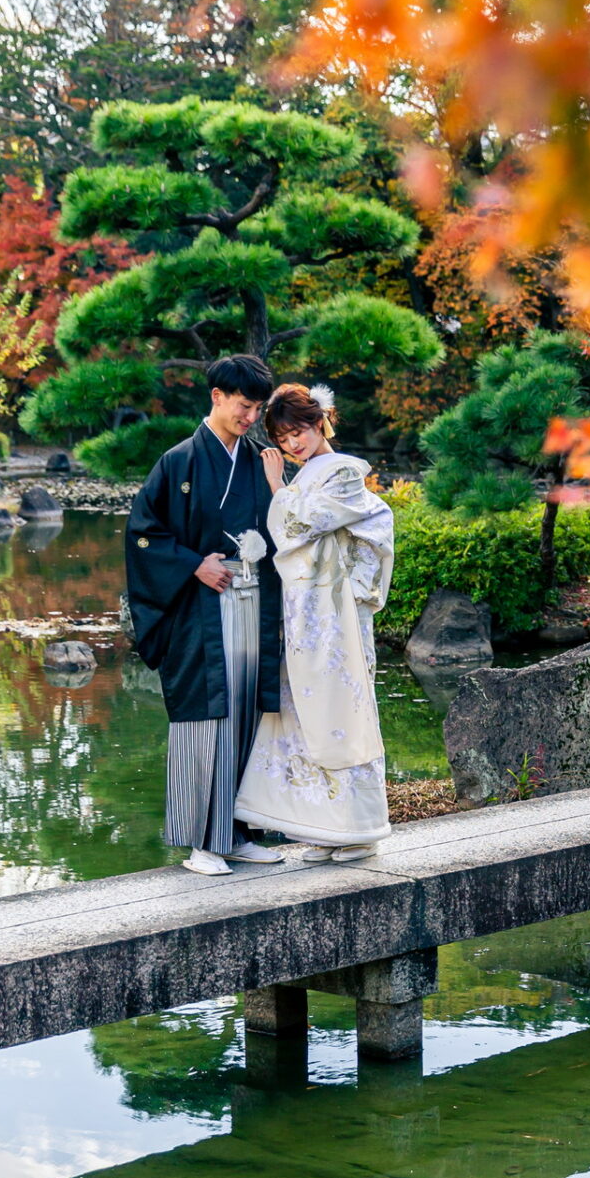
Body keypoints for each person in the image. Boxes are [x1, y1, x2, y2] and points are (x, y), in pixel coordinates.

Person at [124, 354, 286, 878]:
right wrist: (193, 564)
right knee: (206, 718)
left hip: (253, 598)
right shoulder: (179, 462)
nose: (251, 417)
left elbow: (290, 524)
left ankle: (238, 833)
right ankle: (200, 841)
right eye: (244, 406)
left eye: (258, 409)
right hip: (201, 607)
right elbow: (143, 533)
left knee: (246, 713)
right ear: (216, 396)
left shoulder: (263, 459)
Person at [233, 380, 396, 865]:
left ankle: (361, 830)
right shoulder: (310, 476)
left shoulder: (343, 471)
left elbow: (301, 526)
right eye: (283, 438)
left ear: (320, 419)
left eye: (299, 430)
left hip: (337, 615)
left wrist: (278, 489)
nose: (294, 443)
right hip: (305, 614)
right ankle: (326, 830)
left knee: (343, 708)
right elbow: (294, 534)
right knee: (305, 713)